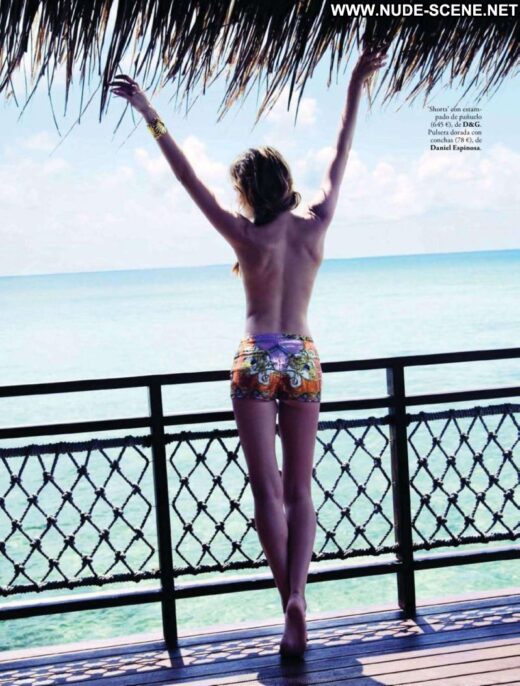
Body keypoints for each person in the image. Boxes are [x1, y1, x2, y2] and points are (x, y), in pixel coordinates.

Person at [110, 45, 387, 658]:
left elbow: (186, 179)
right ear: (285, 182)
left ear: (247, 192)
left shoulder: (243, 235)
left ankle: (285, 601)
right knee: (301, 490)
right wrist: (353, 84)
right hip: (303, 356)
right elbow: (341, 153)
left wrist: (150, 113)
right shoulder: (317, 224)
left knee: (266, 490)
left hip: (256, 355)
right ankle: (301, 595)